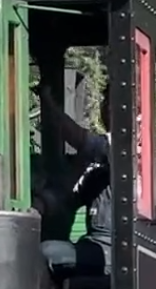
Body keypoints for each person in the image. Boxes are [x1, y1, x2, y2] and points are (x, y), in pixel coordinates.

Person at [37, 85, 114, 277]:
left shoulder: (123, 151)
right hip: (95, 243)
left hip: (116, 248)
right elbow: (67, 200)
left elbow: (79, 138)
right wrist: (38, 204)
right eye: (106, 102)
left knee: (44, 253)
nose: (106, 108)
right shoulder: (98, 175)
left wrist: (48, 103)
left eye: (112, 104)